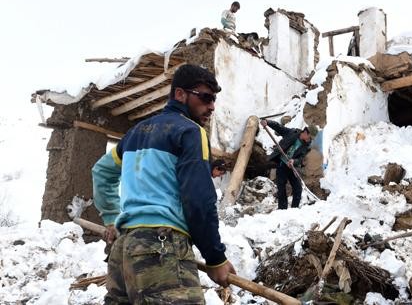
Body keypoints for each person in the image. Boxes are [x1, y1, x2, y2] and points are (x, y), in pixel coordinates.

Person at [92, 64, 236, 304]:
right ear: (180, 94)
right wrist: (215, 258)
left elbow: (101, 171)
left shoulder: (135, 133)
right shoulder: (190, 131)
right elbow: (199, 201)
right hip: (160, 250)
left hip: (123, 251)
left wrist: (111, 218)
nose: (211, 106)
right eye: (205, 97)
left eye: (214, 100)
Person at [261, 119, 317, 209]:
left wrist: (294, 161)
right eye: (310, 137)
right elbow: (279, 128)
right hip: (282, 163)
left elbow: (302, 160)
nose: (310, 140)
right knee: (281, 186)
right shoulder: (292, 133)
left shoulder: (307, 147)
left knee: (298, 188)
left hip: (292, 167)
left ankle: (294, 209)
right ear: (306, 132)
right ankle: (282, 209)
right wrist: (268, 122)